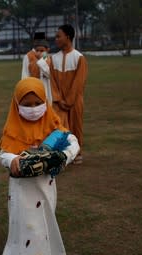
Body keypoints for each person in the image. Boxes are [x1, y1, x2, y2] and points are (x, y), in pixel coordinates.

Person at [0, 77, 79, 255]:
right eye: (27, 104)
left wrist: (62, 157)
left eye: (37, 103)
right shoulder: (12, 126)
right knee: (28, 226)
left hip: (46, 186)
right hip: (22, 189)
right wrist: (14, 161)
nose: (33, 110)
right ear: (16, 104)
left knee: (43, 224)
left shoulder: (53, 124)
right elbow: (4, 154)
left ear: (45, 101)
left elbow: (72, 141)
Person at [50, 24, 87, 164]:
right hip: (58, 102)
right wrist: (58, 99)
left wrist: (69, 101)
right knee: (59, 128)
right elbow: (52, 82)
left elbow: (79, 83)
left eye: (59, 36)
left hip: (75, 101)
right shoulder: (54, 59)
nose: (56, 39)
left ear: (68, 37)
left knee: (76, 126)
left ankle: (77, 154)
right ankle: (62, 156)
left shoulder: (79, 58)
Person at [21, 32, 53, 106]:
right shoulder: (28, 56)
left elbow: (49, 73)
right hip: (33, 89)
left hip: (46, 89)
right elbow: (24, 76)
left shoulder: (45, 55)